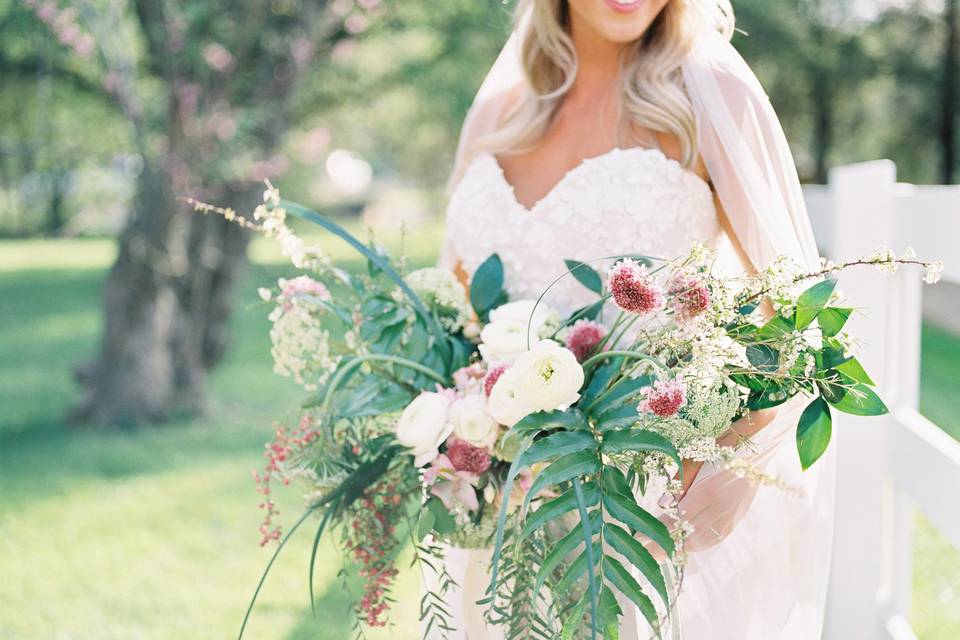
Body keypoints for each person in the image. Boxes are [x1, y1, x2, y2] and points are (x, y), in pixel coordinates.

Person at [434, 1, 836, 638]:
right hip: (504, 521)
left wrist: (731, 456)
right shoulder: (498, 111)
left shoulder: (712, 97)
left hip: (641, 517)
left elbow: (792, 319)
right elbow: (453, 314)